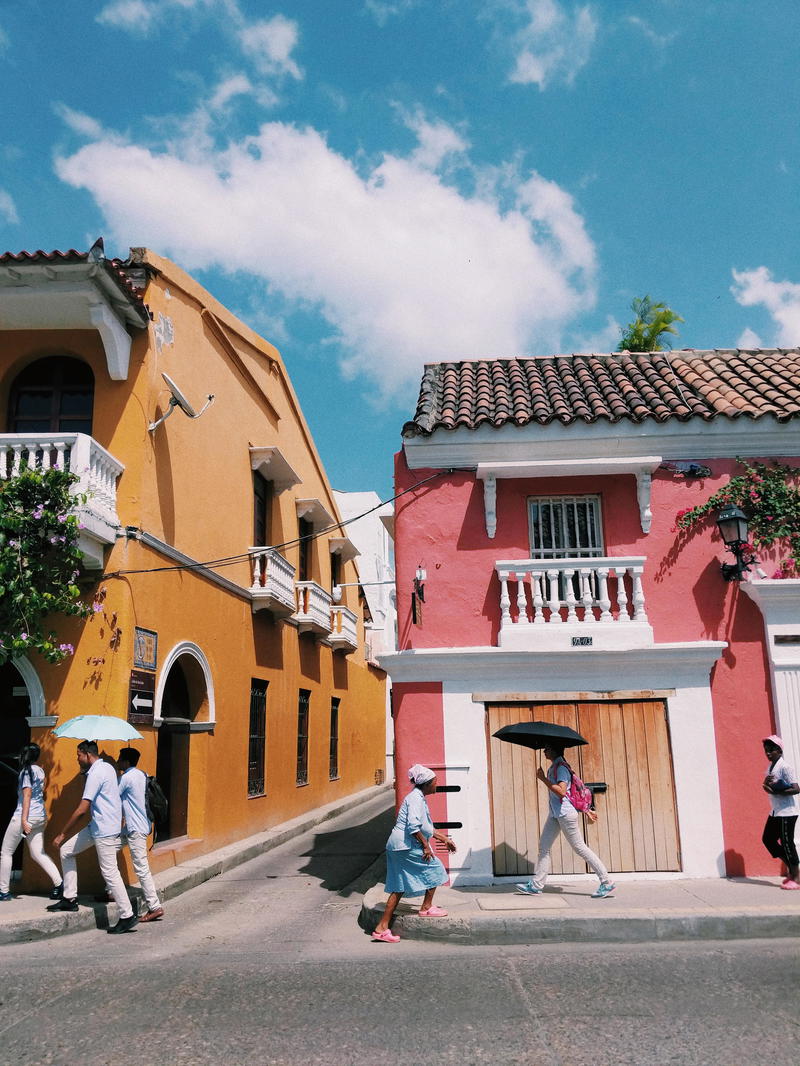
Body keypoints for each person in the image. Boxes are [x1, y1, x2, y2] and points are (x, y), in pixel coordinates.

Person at [51, 740, 139, 933]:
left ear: (87, 755)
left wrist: (62, 834)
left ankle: (127, 915)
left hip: (104, 830)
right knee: (67, 851)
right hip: (98, 826)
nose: (77, 759)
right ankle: (70, 898)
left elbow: (83, 808)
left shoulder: (96, 773)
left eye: (78, 755)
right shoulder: (107, 768)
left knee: (110, 872)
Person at [516, 742, 616, 899]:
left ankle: (606, 881)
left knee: (580, 848)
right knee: (544, 847)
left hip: (565, 814)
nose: (544, 751)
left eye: (547, 748)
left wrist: (542, 779)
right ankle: (536, 885)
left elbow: (562, 792)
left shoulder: (561, 768)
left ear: (554, 751)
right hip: (555, 814)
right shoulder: (555, 766)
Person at [371, 764, 457, 943]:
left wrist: (445, 840)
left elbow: (427, 827)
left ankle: (381, 929)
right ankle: (426, 907)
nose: (436, 784)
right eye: (435, 782)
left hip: (397, 846)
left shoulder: (417, 797)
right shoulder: (416, 799)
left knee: (399, 886)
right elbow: (413, 827)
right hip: (405, 845)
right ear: (426, 784)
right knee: (436, 869)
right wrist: (426, 846)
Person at [0, 743, 63, 902]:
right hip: (40, 816)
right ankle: (59, 884)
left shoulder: (26, 772)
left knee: (6, 852)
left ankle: (3, 891)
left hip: (25, 816)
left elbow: (27, 796)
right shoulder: (40, 770)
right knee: (37, 853)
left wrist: (23, 820)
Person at [117, 747, 164, 921]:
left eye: (120, 758)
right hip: (134, 827)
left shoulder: (126, 778)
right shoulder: (142, 775)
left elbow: (112, 795)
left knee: (141, 868)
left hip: (135, 829)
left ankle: (155, 906)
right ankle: (111, 889)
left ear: (126, 762)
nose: (117, 760)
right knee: (107, 850)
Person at [761, 734, 800, 890]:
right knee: (768, 839)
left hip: (787, 812)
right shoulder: (770, 768)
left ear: (779, 750)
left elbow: (796, 788)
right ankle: (791, 868)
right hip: (776, 812)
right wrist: (766, 786)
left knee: (787, 842)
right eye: (766, 751)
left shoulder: (785, 767)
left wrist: (778, 791)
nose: (768, 753)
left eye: (771, 750)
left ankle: (796, 878)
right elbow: (767, 787)